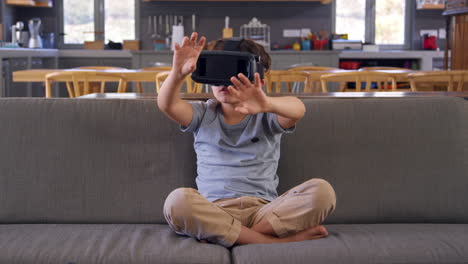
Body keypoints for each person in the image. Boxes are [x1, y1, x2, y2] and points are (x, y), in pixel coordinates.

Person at [158, 32, 336, 248]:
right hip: (214, 209)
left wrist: (267, 104)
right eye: (219, 72)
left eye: (236, 73)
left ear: (258, 76)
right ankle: (272, 242)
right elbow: (167, 104)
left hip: (264, 212)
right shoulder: (203, 113)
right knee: (177, 202)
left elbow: (298, 109)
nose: (226, 82)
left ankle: (231, 235)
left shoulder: (267, 115)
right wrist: (177, 73)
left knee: (322, 192)